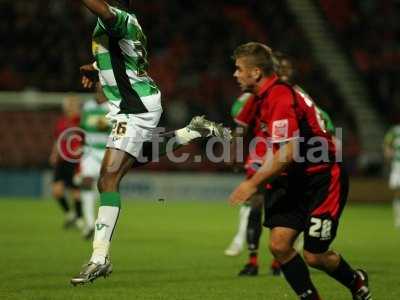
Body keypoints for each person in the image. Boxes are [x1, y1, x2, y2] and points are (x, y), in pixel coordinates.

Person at [71, 0, 231, 285]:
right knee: (131, 161)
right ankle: (191, 132)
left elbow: (103, 11)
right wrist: (94, 67)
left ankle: (99, 258)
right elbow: (119, 56)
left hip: (134, 107)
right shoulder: (124, 23)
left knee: (108, 179)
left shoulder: (116, 16)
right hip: (135, 103)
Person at [229, 42, 372, 300]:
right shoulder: (261, 98)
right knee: (279, 245)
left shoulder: (280, 97)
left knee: (314, 255)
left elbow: (287, 152)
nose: (235, 74)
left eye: (239, 69)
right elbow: (243, 130)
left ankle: (356, 281)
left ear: (256, 72)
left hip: (322, 177)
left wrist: (252, 183)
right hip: (292, 179)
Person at [78, 82, 110, 239]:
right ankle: (89, 224)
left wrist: (105, 125)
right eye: (98, 85)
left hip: (107, 152)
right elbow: (83, 125)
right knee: (86, 182)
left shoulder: (113, 106)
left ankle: (100, 223)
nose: (100, 87)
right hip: (90, 151)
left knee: (103, 188)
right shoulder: (88, 106)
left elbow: (116, 127)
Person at [49, 95, 84, 231]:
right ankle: (71, 215)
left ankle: (80, 220)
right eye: (70, 104)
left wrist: (82, 148)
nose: (72, 106)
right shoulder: (62, 122)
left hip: (75, 161)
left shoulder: (81, 121)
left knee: (75, 191)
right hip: (62, 160)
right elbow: (58, 140)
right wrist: (54, 154)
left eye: (74, 104)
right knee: (57, 191)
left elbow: (87, 138)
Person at [383, 123, 400, 228]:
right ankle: (398, 218)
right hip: (397, 166)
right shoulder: (395, 131)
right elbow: (387, 144)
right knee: (397, 192)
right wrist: (388, 153)